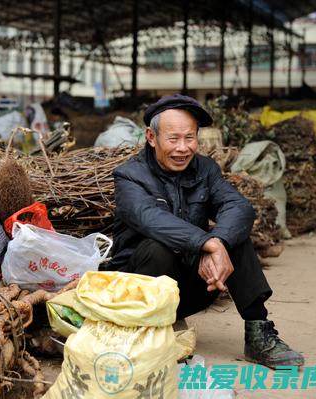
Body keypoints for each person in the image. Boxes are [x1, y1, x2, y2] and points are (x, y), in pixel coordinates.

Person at [105, 94, 304, 369]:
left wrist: (219, 241)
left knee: (235, 238)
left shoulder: (205, 169)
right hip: (139, 291)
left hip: (193, 287)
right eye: (173, 139)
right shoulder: (129, 176)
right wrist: (206, 242)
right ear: (151, 137)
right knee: (157, 246)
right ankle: (157, 329)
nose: (183, 148)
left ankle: (258, 332)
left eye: (190, 138)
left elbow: (238, 206)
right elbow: (149, 218)